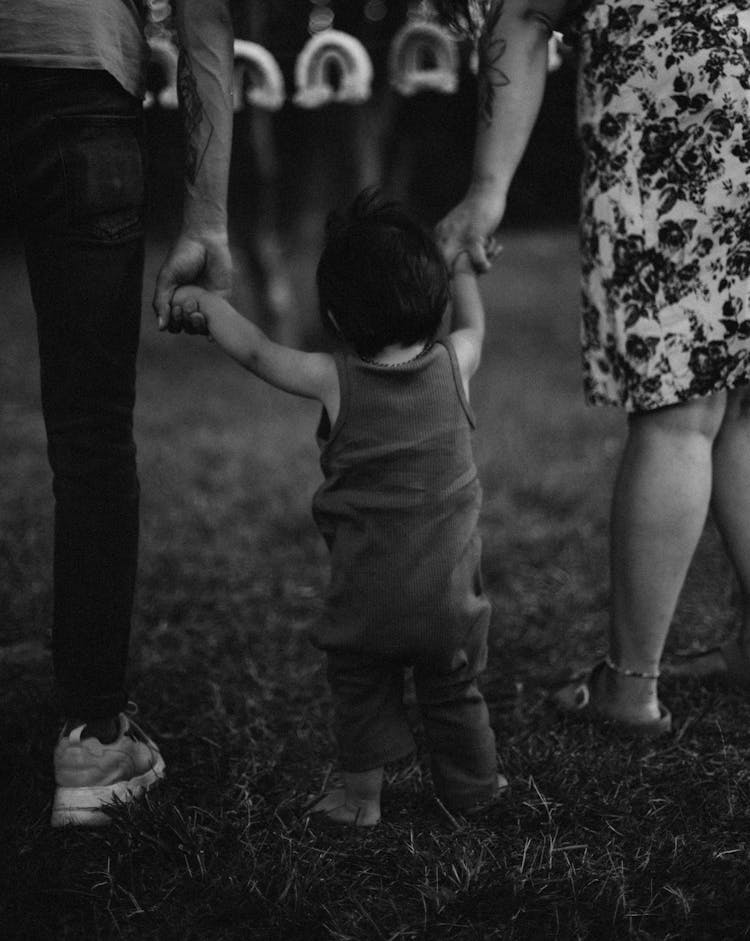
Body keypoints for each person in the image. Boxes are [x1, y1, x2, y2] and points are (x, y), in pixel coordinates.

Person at [436, 0, 750, 733]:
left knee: (680, 412)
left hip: (676, 102)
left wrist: (487, 189)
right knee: (741, 400)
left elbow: (527, 12)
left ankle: (630, 687)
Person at [170, 189, 505, 825]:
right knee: (454, 688)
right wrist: (460, 267)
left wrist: (208, 306)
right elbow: (476, 327)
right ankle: (474, 788)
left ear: (335, 316)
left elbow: (258, 352)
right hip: (450, 602)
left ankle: (361, 801)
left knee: (361, 690)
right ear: (432, 303)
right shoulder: (454, 364)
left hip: (365, 601)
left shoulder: (334, 379)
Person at [0, 0, 235, 825]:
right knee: (91, 428)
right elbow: (204, 19)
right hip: (78, 80)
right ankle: (94, 745)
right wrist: (205, 214)